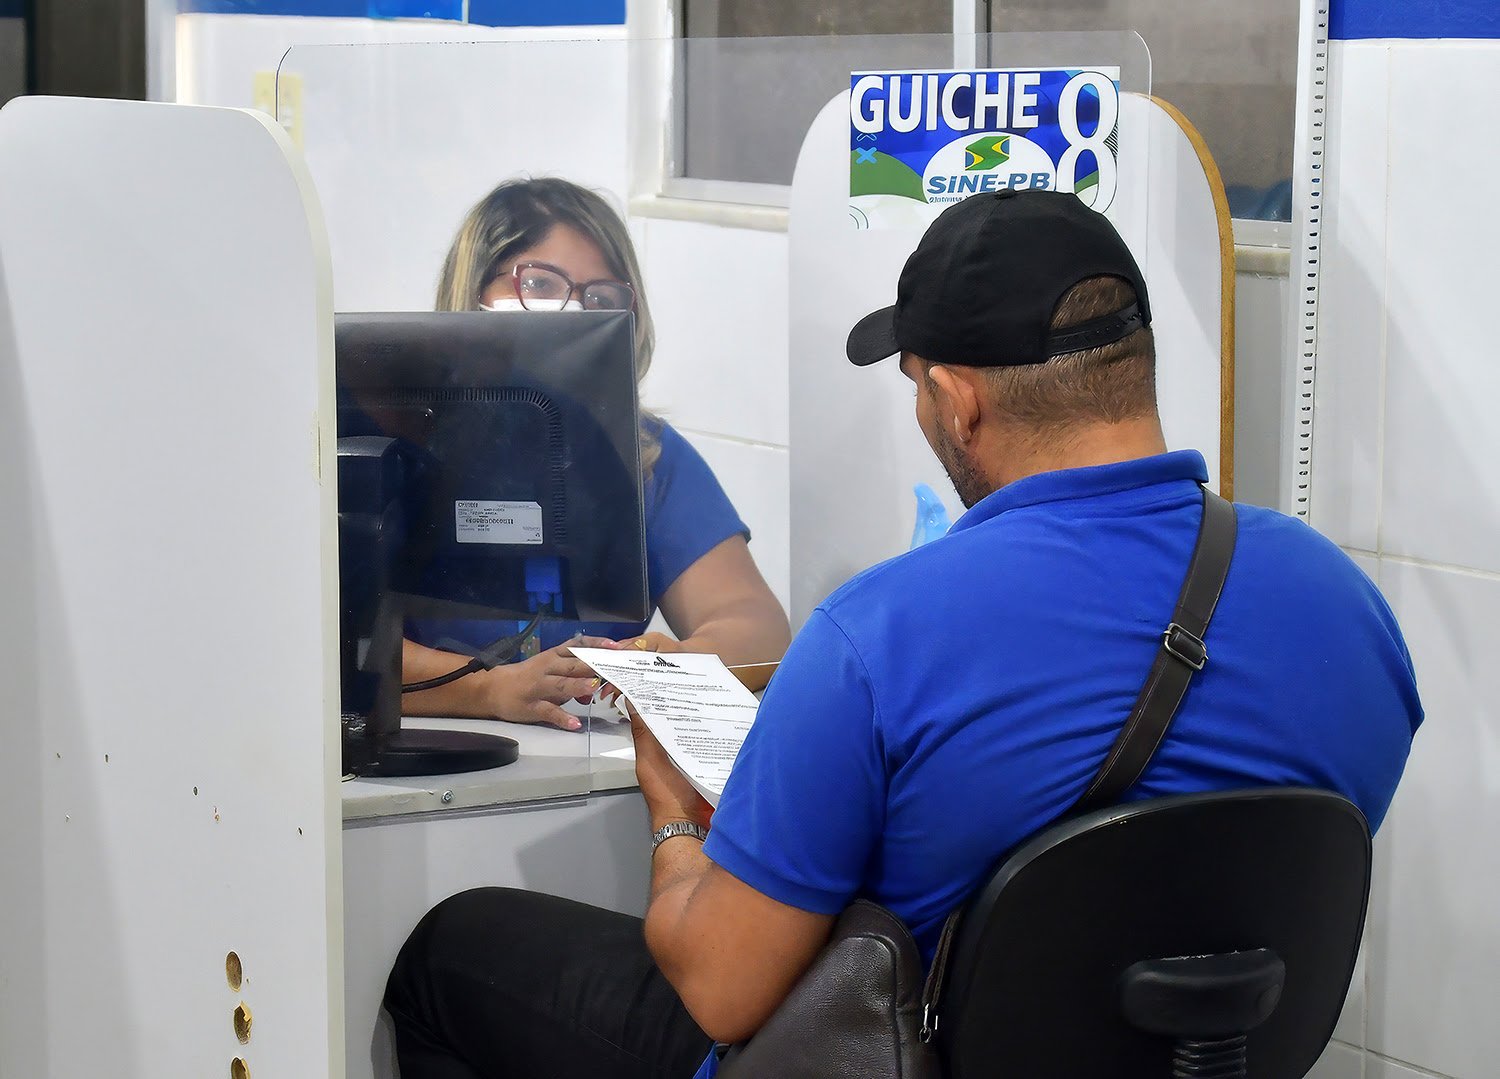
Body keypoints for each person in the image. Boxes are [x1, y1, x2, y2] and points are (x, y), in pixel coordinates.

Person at [382, 189, 1423, 1079]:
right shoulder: (1349, 609)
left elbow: (719, 990)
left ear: (956, 401)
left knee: (447, 953)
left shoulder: (881, 637)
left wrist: (672, 820)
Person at [397, 178, 791, 730]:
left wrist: (665, 665)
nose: (574, 312)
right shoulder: (392, 446)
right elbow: (339, 648)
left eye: (601, 297)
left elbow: (756, 626)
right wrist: (489, 690)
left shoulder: (647, 458)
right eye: (539, 282)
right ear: (474, 294)